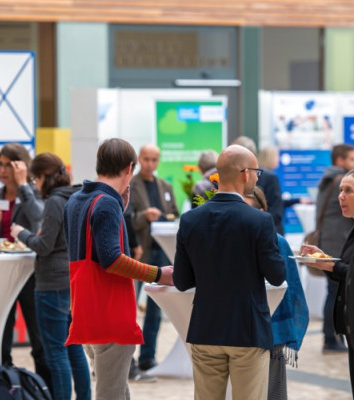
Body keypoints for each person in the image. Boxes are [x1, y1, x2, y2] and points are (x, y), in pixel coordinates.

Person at [173, 145, 286, 400]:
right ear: (245, 173)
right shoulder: (259, 220)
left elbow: (181, 281)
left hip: (205, 329)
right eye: (257, 171)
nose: (258, 177)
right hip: (248, 331)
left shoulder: (190, 220)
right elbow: (277, 275)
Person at [64, 138, 173, 399]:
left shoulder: (78, 198)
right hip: (109, 315)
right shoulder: (106, 204)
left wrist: (120, 211)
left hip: (86, 310)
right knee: (111, 392)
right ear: (130, 168)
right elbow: (111, 259)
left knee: (116, 388)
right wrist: (158, 274)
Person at [301, 169, 354, 400]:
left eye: (348, 191)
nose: (341, 196)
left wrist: (332, 266)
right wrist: (327, 261)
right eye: (340, 190)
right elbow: (351, 270)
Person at [10, 153, 91, 400]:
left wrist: (21, 234)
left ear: (44, 176)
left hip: (51, 284)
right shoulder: (76, 196)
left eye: (35, 179)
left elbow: (44, 246)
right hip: (70, 280)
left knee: (56, 353)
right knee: (74, 349)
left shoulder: (56, 201)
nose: (35, 184)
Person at [0, 143, 51, 385]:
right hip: (1, 272)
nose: (3, 170)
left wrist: (24, 185)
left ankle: (47, 390)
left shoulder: (33, 193)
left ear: (20, 167)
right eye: (0, 165)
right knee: (1, 335)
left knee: (39, 339)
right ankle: (3, 386)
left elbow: (38, 219)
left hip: (29, 273)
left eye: (9, 165)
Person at [246, 187, 309, 400]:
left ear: (263, 211)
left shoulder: (278, 242)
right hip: (240, 331)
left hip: (271, 332)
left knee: (272, 392)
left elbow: (290, 290)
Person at [129, 144, 179, 377]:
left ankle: (148, 357)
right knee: (130, 307)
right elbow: (127, 219)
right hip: (140, 253)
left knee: (155, 310)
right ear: (139, 159)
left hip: (163, 253)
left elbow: (175, 216)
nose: (150, 164)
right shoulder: (131, 185)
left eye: (154, 160)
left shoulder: (166, 187)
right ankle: (128, 361)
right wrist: (143, 216)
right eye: (146, 159)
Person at [314, 143, 354, 353]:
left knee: (333, 291)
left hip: (328, 240)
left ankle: (331, 336)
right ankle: (331, 337)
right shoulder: (341, 181)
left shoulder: (327, 179)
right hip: (338, 242)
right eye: (351, 159)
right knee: (335, 292)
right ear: (340, 160)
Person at [232, 136, 285, 235]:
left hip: (267, 234)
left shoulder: (269, 178)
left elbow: (276, 212)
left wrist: (257, 225)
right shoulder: (230, 177)